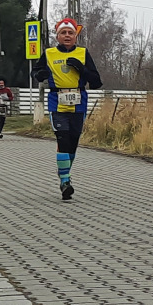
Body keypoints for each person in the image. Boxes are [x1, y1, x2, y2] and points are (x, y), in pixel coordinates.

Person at [29, 18, 102, 200]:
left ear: (76, 36)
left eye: (71, 33)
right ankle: (65, 181)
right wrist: (40, 74)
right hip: (57, 100)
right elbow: (35, 72)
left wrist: (81, 69)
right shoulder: (49, 53)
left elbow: (96, 82)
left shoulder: (83, 53)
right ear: (58, 36)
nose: (67, 36)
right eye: (63, 33)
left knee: (73, 141)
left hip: (78, 101)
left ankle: (63, 172)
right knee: (62, 138)